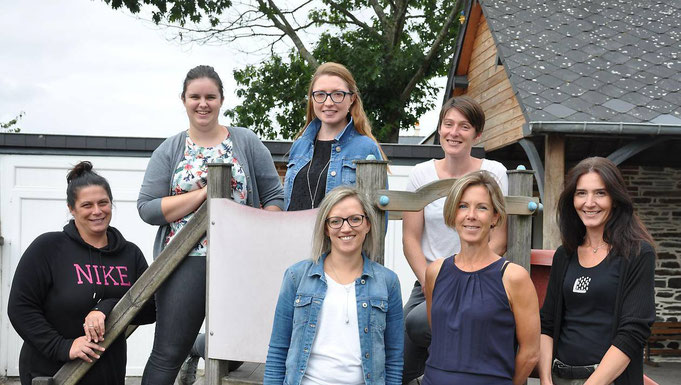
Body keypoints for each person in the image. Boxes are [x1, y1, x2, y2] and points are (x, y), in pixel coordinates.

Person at [138, 65, 285, 384]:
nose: (202, 103)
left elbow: (275, 195)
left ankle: (198, 346)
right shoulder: (170, 149)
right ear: (184, 100)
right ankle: (188, 346)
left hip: (239, 261)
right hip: (183, 260)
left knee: (236, 350)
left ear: (221, 100)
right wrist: (206, 194)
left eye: (210, 97)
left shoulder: (245, 142)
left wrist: (261, 233)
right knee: (167, 353)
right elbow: (148, 209)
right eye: (195, 97)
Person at [8, 161, 155, 385]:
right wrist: (64, 347)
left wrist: (105, 307)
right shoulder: (48, 248)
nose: (97, 211)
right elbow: (21, 309)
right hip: (49, 373)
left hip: (108, 374)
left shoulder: (130, 254)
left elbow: (151, 308)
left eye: (103, 203)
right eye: (87, 205)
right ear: (72, 208)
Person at [401, 95, 509, 383]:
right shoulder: (420, 173)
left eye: (464, 126)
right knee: (403, 351)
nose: (454, 132)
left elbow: (499, 239)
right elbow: (411, 239)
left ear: (477, 133)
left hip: (481, 280)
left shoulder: (493, 172)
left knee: (438, 329)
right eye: (448, 124)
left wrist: (466, 281)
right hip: (430, 280)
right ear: (439, 130)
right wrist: (432, 282)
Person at [264, 186, 404, 385]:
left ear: (368, 224)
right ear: (326, 229)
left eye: (355, 219)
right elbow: (278, 349)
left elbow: (394, 357)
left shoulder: (387, 282)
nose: (346, 228)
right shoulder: (296, 277)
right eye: (336, 221)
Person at [537, 157, 656, 385]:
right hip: (558, 376)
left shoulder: (638, 254)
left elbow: (632, 333)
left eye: (600, 193)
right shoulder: (565, 254)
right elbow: (547, 323)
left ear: (615, 199)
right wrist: (545, 379)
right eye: (581, 193)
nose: (589, 202)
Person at [422, 170, 540, 385]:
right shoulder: (435, 272)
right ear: (453, 213)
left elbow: (530, 352)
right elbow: (439, 334)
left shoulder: (514, 277)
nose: (471, 215)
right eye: (463, 206)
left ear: (495, 216)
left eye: (482, 207)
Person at [285, 62, 387, 211]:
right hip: (293, 233)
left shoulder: (366, 148)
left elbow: (377, 214)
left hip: (335, 235)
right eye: (320, 94)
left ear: (351, 99)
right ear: (312, 99)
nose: (328, 102)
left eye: (337, 94)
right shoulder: (299, 146)